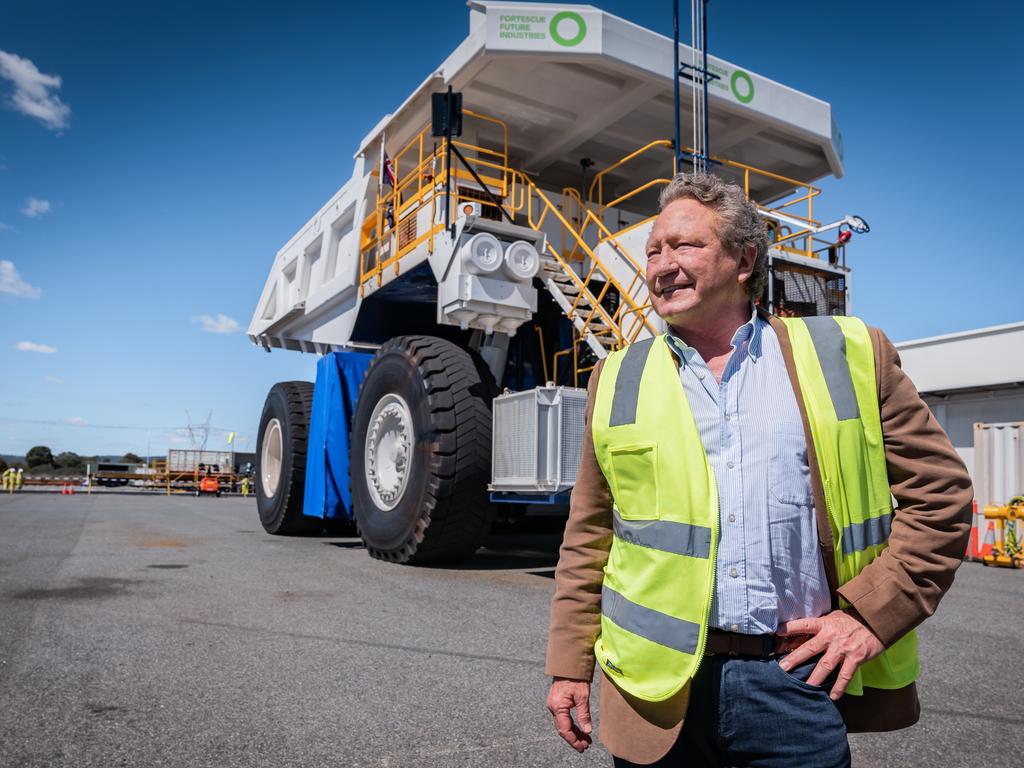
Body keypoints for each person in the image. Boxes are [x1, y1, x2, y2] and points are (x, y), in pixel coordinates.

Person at [545, 172, 973, 767]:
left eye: (685, 246)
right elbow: (588, 535)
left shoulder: (847, 355)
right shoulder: (617, 378)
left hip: (794, 682)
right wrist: (569, 665)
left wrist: (872, 617)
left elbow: (942, 498)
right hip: (656, 693)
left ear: (744, 260)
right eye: (653, 250)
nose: (662, 264)